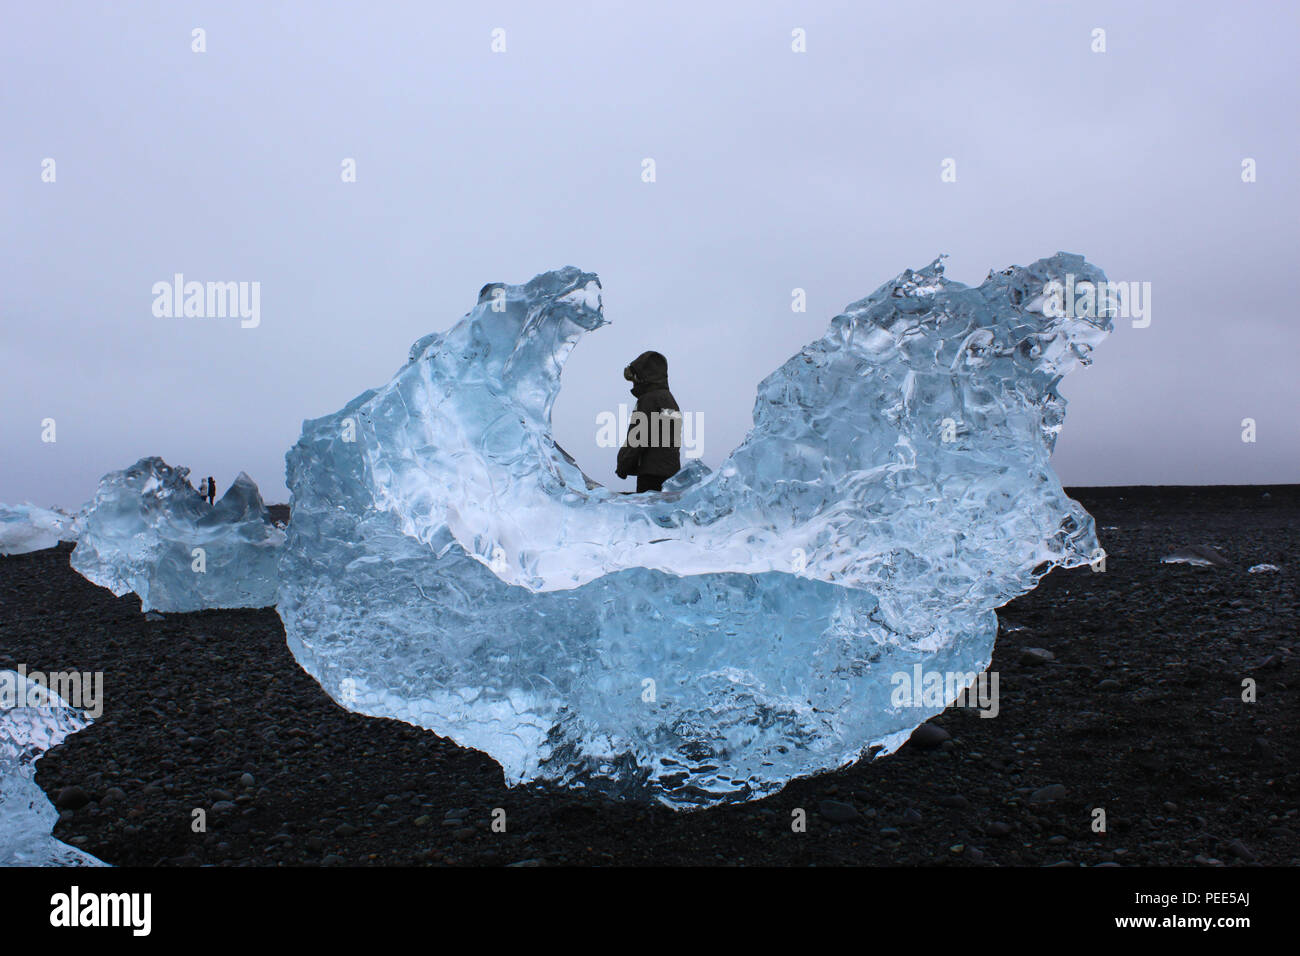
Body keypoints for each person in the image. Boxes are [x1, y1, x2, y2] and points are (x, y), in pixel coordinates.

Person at [615, 350, 681, 493]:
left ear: (643, 376)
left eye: (634, 379)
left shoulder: (649, 399)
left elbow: (639, 436)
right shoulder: (669, 400)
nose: (633, 384)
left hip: (651, 475)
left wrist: (623, 465)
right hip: (671, 473)